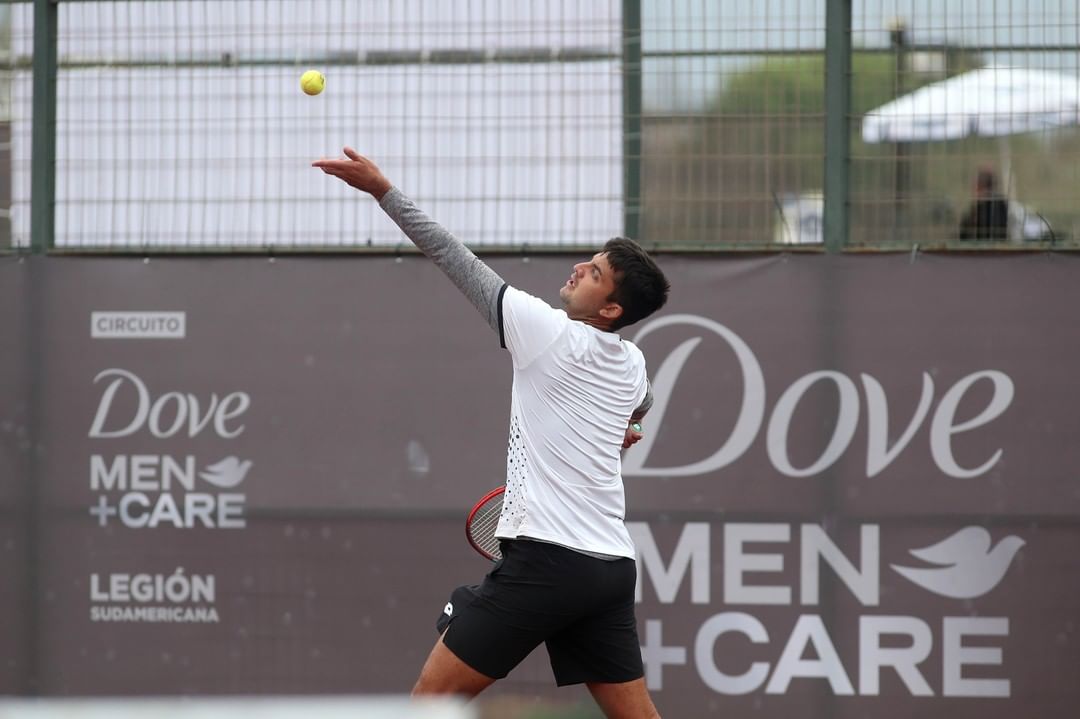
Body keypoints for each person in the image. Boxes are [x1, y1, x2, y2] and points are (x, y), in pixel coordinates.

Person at [314, 148, 670, 718]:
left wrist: (383, 191)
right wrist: (624, 425)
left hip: (547, 564)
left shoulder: (545, 330)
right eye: (591, 260)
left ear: (609, 309)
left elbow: (452, 257)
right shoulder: (631, 364)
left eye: (595, 273)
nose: (580, 269)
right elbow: (642, 403)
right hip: (609, 569)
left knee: (428, 705)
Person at [958, 166, 1009, 241]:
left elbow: (965, 234)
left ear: (979, 187)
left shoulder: (979, 210)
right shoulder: (1002, 205)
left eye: (975, 185)